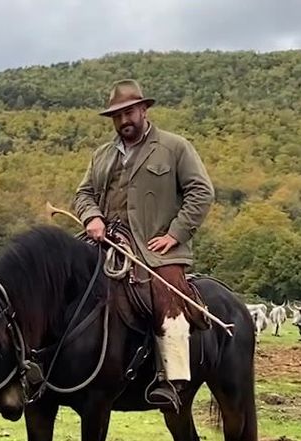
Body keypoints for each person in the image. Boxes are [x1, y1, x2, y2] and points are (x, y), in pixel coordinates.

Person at [72, 79, 215, 411]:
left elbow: (201, 192)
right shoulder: (102, 155)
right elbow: (84, 194)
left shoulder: (174, 147)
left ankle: (172, 382)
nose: (125, 121)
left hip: (156, 250)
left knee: (170, 303)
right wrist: (92, 218)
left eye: (130, 112)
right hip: (107, 243)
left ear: (144, 109)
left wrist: (175, 234)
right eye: (117, 116)